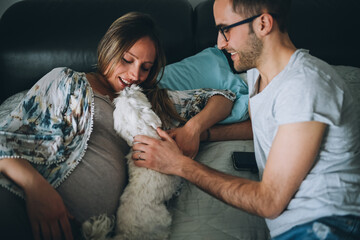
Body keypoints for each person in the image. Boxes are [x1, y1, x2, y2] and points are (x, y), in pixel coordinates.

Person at [131, 0, 360, 239]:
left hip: (330, 225)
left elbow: (269, 202)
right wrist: (201, 133)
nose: (220, 43)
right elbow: (263, 127)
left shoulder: (304, 86)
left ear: (263, 23)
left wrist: (178, 164)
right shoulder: (258, 74)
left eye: (225, 29)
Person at [0, 12, 235, 240]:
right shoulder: (67, 80)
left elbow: (222, 98)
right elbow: (5, 141)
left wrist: (193, 129)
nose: (135, 74)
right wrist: (37, 190)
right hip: (23, 200)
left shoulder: (149, 100)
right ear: (109, 48)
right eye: (127, 59)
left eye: (146, 67)